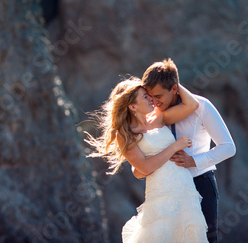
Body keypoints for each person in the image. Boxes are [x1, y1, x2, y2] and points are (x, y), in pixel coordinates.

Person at [85, 75, 208, 242]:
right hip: (161, 191)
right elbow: (144, 168)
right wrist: (175, 147)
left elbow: (192, 105)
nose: (151, 99)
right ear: (133, 106)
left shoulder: (159, 117)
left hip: (184, 187)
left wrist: (172, 81)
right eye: (145, 96)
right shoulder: (126, 134)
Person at [134, 58, 236, 242]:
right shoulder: (153, 113)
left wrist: (193, 161)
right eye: (150, 97)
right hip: (166, 188)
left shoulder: (202, 107)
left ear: (174, 89)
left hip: (200, 184)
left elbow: (228, 147)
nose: (154, 102)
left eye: (158, 96)